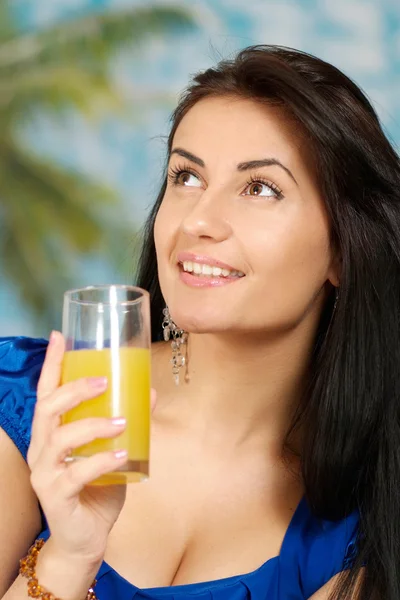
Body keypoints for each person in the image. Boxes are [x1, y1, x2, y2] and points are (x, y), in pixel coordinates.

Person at [0, 44, 399, 600]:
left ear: (342, 250)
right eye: (186, 177)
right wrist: (69, 556)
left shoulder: (365, 524)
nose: (200, 220)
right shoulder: (31, 407)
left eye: (260, 188)